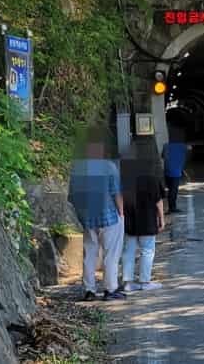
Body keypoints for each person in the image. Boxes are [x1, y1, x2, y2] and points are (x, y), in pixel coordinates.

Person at [68, 122, 126, 301]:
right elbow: (116, 193)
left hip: (88, 217)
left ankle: (89, 291)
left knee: (89, 253)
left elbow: (72, 196)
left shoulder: (77, 168)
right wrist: (122, 213)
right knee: (111, 253)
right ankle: (110, 289)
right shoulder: (109, 167)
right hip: (109, 217)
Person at [120, 139, 167, 292]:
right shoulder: (153, 179)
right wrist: (162, 219)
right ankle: (145, 282)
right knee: (147, 250)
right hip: (147, 221)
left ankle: (128, 282)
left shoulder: (126, 178)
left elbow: (119, 198)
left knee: (128, 250)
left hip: (130, 220)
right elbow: (158, 201)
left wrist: (121, 216)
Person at [162, 125, 188, 214]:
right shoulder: (183, 146)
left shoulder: (166, 145)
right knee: (173, 190)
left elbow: (163, 156)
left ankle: (171, 207)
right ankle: (172, 207)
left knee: (170, 190)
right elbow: (185, 157)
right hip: (176, 172)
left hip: (167, 171)